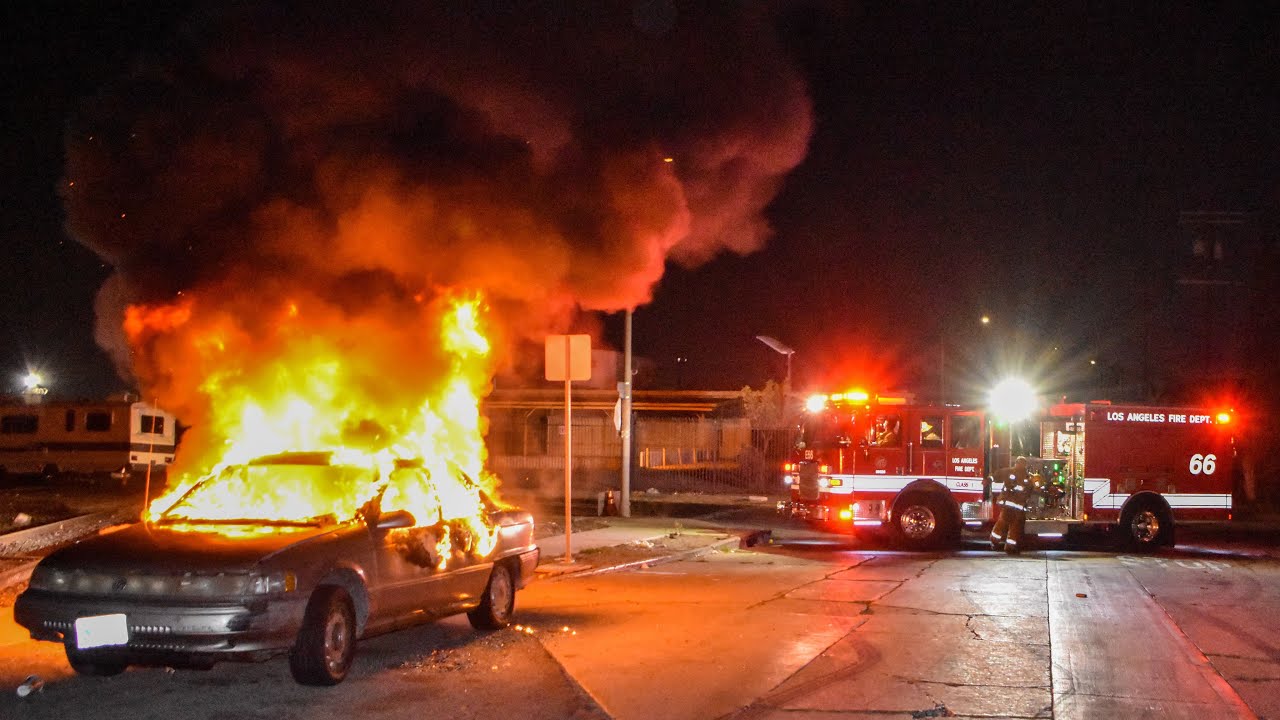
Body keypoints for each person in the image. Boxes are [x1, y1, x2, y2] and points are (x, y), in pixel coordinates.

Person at [990, 456, 1031, 554]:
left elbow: (996, 475)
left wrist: (988, 479)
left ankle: (1001, 543)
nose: (1020, 466)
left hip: (1012, 505)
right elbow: (996, 475)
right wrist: (988, 479)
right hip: (1012, 505)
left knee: (1009, 525)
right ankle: (1005, 545)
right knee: (1008, 525)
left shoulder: (1025, 476)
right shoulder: (1023, 476)